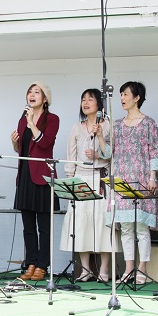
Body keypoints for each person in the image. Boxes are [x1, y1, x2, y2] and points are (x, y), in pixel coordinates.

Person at [108, 82, 158, 284]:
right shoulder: (116, 125)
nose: (122, 98)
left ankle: (142, 268)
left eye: (125, 94)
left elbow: (155, 151)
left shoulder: (149, 123)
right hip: (122, 179)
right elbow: (108, 153)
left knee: (141, 227)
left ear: (137, 97)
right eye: (121, 95)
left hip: (143, 179)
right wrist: (99, 136)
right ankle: (128, 268)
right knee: (126, 228)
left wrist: (152, 177)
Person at [60, 88, 112, 283]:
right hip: (81, 178)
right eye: (83, 99)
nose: (86, 102)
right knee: (81, 224)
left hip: (100, 179)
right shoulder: (77, 127)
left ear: (99, 104)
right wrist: (69, 179)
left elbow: (112, 154)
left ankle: (104, 270)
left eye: (90, 99)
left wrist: (98, 155)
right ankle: (85, 269)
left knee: (102, 224)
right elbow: (70, 155)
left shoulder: (107, 126)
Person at [11, 82, 59, 282]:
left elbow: (45, 143)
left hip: (43, 176)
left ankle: (42, 265)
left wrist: (32, 122)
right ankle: (30, 263)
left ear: (45, 98)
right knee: (27, 226)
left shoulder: (52, 119)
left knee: (44, 226)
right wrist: (15, 142)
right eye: (29, 92)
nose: (31, 95)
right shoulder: (22, 120)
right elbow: (22, 150)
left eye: (36, 92)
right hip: (25, 176)